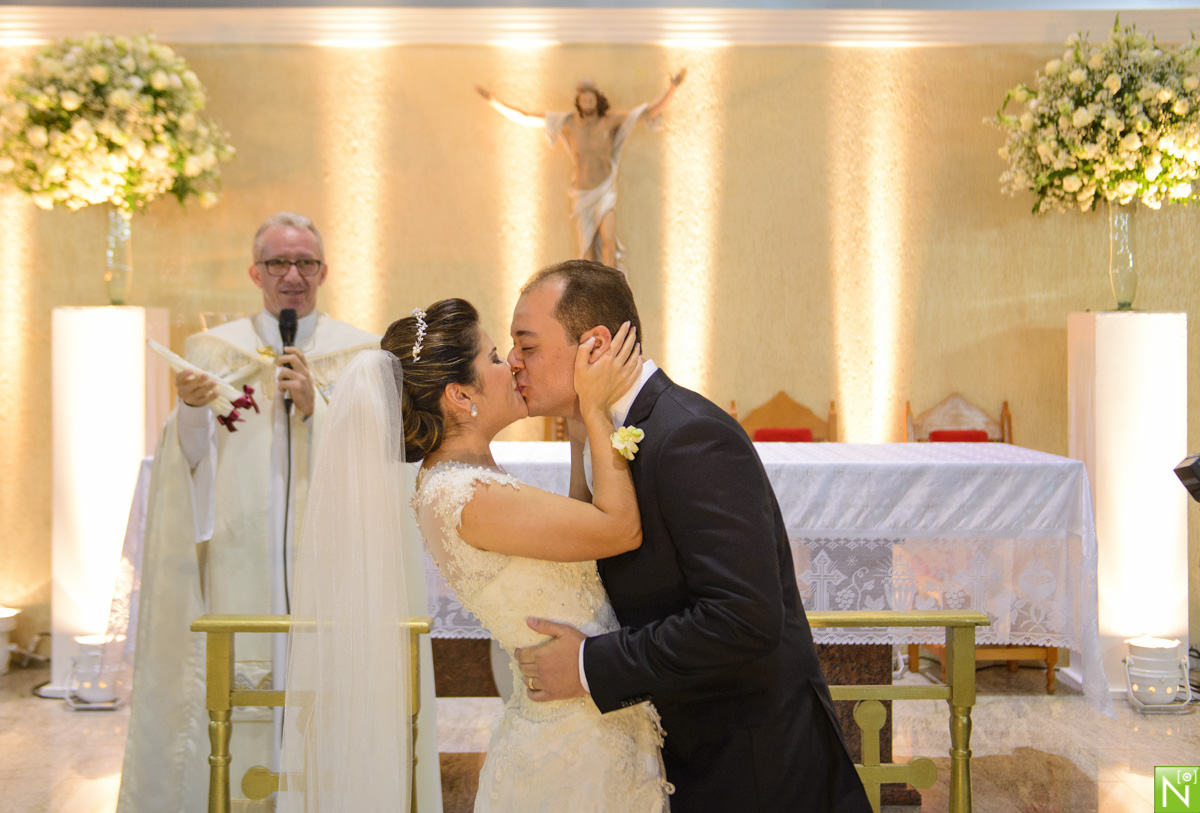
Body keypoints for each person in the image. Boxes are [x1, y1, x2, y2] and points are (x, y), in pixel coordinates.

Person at [508, 260, 874, 813]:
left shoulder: (690, 436)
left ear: (595, 345)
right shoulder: (606, 432)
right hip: (690, 749)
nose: (513, 363)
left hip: (753, 765)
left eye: (527, 346)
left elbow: (742, 619)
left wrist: (588, 666)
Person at [281, 297, 672, 811]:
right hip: (569, 749)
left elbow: (573, 544)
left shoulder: (467, 478)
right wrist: (598, 411)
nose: (510, 362)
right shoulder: (464, 494)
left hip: (581, 719)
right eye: (493, 356)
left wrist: (579, 435)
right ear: (460, 393)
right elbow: (618, 531)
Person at [116, 213, 441, 812]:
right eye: (277, 263)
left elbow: (383, 463)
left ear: (323, 272)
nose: (292, 275)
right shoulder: (214, 353)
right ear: (254, 272)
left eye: (305, 263)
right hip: (243, 564)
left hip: (332, 566)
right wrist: (189, 413)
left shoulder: (363, 355)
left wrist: (318, 411)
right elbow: (187, 466)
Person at [477, 71, 685, 269]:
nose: (587, 104)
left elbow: (648, 111)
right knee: (587, 252)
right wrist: (495, 102)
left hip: (604, 191)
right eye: (584, 100)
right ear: (579, 102)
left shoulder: (609, 120)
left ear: (597, 100)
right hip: (583, 194)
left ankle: (611, 289)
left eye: (591, 100)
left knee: (608, 241)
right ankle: (591, 296)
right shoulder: (569, 123)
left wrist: (673, 88)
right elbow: (528, 117)